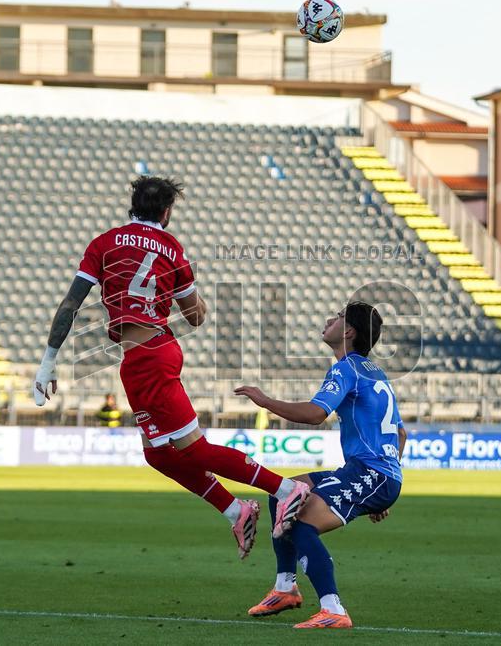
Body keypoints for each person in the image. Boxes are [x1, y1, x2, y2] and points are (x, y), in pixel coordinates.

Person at [33, 175, 310, 560]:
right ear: (166, 212)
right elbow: (195, 317)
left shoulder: (104, 243)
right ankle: (236, 510)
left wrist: (48, 361)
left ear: (132, 205)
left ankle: (284, 489)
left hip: (149, 357)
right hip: (143, 358)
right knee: (158, 454)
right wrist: (195, 300)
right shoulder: (172, 249)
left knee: (193, 451)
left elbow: (71, 303)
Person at [234, 302, 406, 629]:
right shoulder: (374, 372)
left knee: (298, 521)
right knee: (282, 493)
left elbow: (316, 414)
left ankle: (333, 609)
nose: (330, 319)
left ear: (350, 331)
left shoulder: (346, 368)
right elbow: (400, 432)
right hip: (372, 473)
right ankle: (285, 588)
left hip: (370, 472)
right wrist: (388, 479)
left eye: (339, 317)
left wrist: (265, 400)